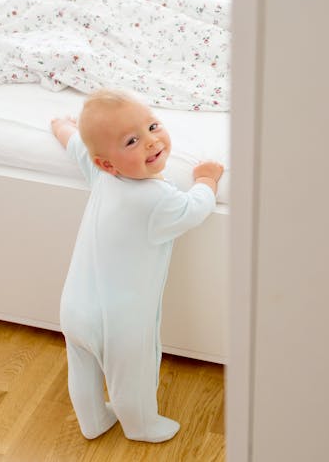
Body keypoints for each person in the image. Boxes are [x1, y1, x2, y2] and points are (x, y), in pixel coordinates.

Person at [50, 88, 223, 442]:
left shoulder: (103, 176)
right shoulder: (157, 200)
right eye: (132, 141)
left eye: (153, 126)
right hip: (122, 321)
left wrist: (61, 127)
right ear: (108, 162)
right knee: (133, 376)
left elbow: (78, 148)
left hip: (75, 307)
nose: (150, 142)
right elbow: (195, 209)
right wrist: (207, 179)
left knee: (82, 371)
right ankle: (142, 426)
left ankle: (93, 420)